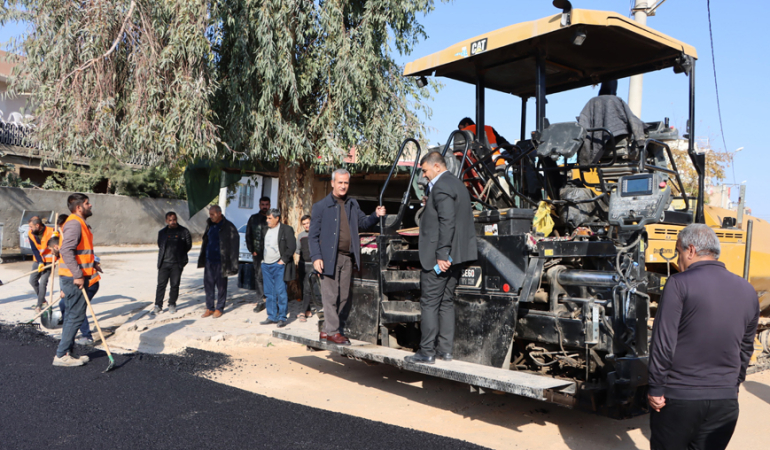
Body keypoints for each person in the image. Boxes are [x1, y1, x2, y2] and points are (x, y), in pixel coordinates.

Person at [648, 224, 759, 450]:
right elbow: (746, 348)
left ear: (690, 250)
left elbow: (663, 342)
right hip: (725, 402)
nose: (678, 260)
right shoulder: (748, 290)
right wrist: (731, 385)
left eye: (678, 252)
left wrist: (656, 388)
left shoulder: (679, 284)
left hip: (679, 398)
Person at [405, 151, 477, 365]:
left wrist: (441, 254)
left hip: (442, 257)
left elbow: (447, 222)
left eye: (425, 170)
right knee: (445, 302)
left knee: (429, 303)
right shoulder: (457, 185)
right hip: (456, 257)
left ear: (437, 166)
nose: (424, 175)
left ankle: (426, 351)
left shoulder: (442, 186)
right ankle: (444, 351)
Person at [309, 168, 386, 345]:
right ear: (333, 183)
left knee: (343, 296)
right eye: (340, 182)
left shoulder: (352, 204)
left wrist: (375, 215)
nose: (343, 186)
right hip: (328, 258)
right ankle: (333, 332)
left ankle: (327, 330)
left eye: (346, 183)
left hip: (347, 258)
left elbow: (363, 223)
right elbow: (312, 236)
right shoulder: (320, 206)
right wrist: (316, 257)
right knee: (330, 296)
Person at [55, 194, 102, 367]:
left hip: (77, 276)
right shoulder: (74, 223)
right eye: (87, 203)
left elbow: (81, 251)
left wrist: (93, 263)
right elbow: (66, 250)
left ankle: (69, 352)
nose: (90, 205)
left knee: (72, 315)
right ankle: (61, 355)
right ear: (79, 207)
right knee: (75, 316)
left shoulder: (80, 223)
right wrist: (78, 275)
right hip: (73, 278)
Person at [54, 213, 95, 346]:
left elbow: (86, 256)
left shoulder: (72, 231)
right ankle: (68, 339)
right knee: (68, 307)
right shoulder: (65, 237)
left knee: (76, 309)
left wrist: (78, 276)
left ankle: (86, 336)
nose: (62, 229)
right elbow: (67, 262)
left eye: (62, 227)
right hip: (73, 279)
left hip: (86, 280)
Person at [198, 205, 239, 318]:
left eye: (213, 214)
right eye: (210, 214)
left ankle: (219, 308)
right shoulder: (210, 225)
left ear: (219, 213)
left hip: (222, 262)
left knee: (221, 287)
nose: (210, 216)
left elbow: (234, 246)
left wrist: (233, 262)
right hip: (209, 261)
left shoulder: (228, 227)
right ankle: (209, 308)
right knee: (208, 285)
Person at [258, 208, 296, 327]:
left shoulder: (286, 230)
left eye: (270, 218)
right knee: (269, 292)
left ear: (277, 218)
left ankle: (282, 317)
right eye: (267, 218)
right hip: (266, 265)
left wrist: (282, 261)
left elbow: (291, 247)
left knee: (281, 291)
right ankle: (272, 316)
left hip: (278, 265)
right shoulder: (265, 230)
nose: (267, 220)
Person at [154, 211, 192, 314]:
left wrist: (180, 255)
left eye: (174, 220)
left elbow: (188, 246)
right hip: (164, 263)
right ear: (166, 221)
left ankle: (172, 304)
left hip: (177, 263)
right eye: (170, 220)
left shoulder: (184, 231)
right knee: (161, 285)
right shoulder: (162, 232)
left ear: (176, 219)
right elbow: (160, 245)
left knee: (175, 285)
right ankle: (158, 305)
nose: (172, 222)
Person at [246, 196, 271, 312]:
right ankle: (260, 300)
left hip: (271, 253)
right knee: (258, 276)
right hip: (257, 253)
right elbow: (248, 235)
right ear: (259, 205)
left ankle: (270, 300)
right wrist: (252, 250)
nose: (265, 206)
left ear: (269, 205)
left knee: (270, 276)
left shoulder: (273, 218)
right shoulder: (253, 218)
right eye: (263, 204)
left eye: (266, 204)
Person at [296, 214, 322, 322]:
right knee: (303, 288)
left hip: (312, 265)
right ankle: (308, 310)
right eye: (304, 224)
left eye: (308, 223)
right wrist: (297, 264)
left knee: (308, 288)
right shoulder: (300, 235)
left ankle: (302, 313)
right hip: (302, 264)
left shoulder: (317, 234)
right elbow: (298, 251)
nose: (306, 225)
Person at [27, 216, 54, 313]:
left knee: (43, 282)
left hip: (50, 260)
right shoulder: (30, 233)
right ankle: (42, 300)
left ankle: (39, 305)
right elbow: (34, 249)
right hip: (38, 260)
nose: (30, 228)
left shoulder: (52, 232)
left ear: (37, 225)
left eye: (31, 226)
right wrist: (40, 262)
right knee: (32, 280)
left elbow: (58, 245)